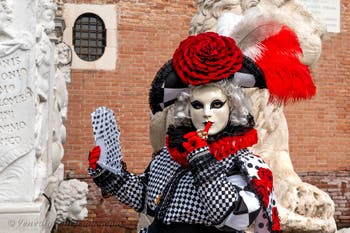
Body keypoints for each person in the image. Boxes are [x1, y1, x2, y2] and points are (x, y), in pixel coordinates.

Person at [88, 32, 280, 233]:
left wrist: (202, 160)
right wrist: (109, 174)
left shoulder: (245, 164)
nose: (207, 114)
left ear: (232, 107)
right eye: (197, 105)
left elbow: (236, 218)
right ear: (187, 109)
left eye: (216, 105)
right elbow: (147, 199)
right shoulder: (169, 156)